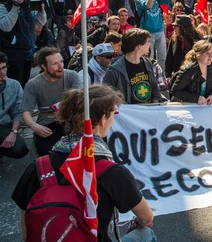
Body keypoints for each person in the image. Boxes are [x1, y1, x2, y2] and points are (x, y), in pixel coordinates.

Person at [12, 84, 156, 242]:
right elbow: (146, 217)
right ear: (102, 119)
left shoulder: (38, 167)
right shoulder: (113, 173)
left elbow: (27, 232)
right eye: (113, 113)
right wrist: (138, 223)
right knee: (146, 234)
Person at [21, 47, 81, 156]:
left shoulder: (72, 76)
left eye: (61, 62)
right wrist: (35, 126)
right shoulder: (33, 84)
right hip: (47, 121)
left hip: (71, 118)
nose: (60, 66)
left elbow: (76, 100)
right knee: (47, 152)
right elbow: (26, 112)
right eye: (54, 64)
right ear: (44, 66)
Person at [0, 0, 47, 87]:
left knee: (25, 83)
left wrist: (41, 11)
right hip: (12, 52)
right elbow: (5, 26)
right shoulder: (2, 4)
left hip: (27, 50)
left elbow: (40, 23)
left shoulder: (25, 1)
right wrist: (15, 8)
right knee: (14, 84)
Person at [103, 28, 163, 104]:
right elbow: (106, 95)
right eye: (148, 42)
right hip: (128, 114)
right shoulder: (115, 70)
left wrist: (156, 102)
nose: (150, 44)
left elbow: (154, 88)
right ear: (139, 46)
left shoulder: (148, 63)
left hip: (148, 112)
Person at [135, 0, 176, 72]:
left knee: (162, 56)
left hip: (159, 30)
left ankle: (161, 74)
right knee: (149, 55)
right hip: (147, 32)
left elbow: (172, 0)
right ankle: (149, 73)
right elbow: (148, 5)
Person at [169, 40, 212, 105]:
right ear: (198, 54)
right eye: (207, 53)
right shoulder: (188, 71)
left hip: (202, 106)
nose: (211, 56)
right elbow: (175, 91)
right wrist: (196, 98)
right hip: (185, 106)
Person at [0, 51, 28, 161]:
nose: (2, 72)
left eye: (4, 67)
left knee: (20, 149)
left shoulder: (14, 85)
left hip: (4, 126)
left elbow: (18, 110)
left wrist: (14, 132)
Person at [165, 15, 202, 79]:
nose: (174, 28)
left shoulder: (197, 41)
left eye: (176, 26)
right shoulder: (174, 39)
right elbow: (169, 58)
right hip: (177, 75)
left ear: (183, 28)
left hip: (193, 76)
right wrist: (168, 75)